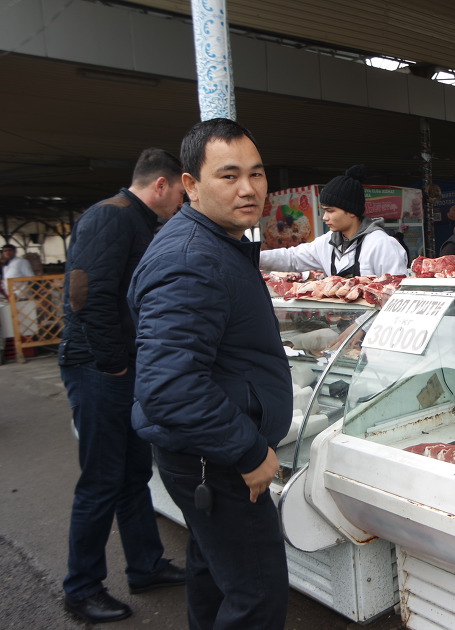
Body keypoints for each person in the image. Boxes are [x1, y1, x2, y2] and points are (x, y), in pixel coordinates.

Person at [128, 118, 293, 629]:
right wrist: (248, 451)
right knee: (256, 597)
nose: (248, 188)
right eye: (229, 175)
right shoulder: (192, 258)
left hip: (206, 455)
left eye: (257, 173)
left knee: (213, 574)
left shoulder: (216, 243)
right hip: (217, 462)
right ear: (191, 185)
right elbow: (168, 384)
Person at [57, 148, 186, 624]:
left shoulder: (140, 221)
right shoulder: (110, 217)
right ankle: (81, 589)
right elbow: (84, 292)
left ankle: (146, 566)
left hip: (123, 370)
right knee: (101, 481)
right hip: (97, 369)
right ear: (160, 185)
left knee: (134, 473)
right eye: (181, 192)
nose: (182, 202)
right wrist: (113, 364)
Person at [259, 165, 408, 277]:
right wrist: (252, 257)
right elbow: (292, 258)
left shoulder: (382, 244)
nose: (324, 217)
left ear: (351, 211)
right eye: (324, 211)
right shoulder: (327, 243)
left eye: (330, 211)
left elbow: (396, 291)